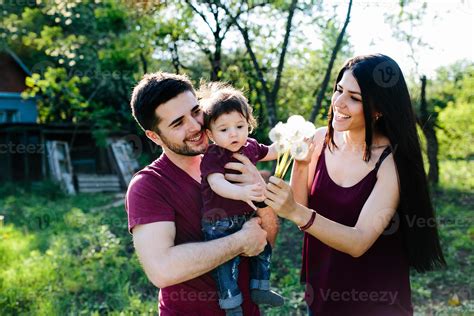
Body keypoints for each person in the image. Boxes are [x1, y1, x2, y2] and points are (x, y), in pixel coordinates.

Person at [264, 54, 446, 315]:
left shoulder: (390, 162)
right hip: (322, 295)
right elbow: (302, 212)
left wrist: (294, 210)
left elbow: (358, 241)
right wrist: (301, 166)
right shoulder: (319, 139)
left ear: (378, 108)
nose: (339, 102)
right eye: (339, 90)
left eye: (354, 98)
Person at [126, 72, 279, 315]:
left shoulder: (231, 159)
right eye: (178, 123)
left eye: (196, 111)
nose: (196, 126)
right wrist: (239, 242)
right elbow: (162, 270)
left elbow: (266, 238)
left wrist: (259, 194)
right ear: (154, 136)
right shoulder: (148, 185)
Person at [198, 83, 284, 315]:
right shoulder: (214, 155)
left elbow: (273, 151)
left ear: (249, 124)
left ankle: (260, 287)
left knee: (263, 247)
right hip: (220, 222)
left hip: (245, 217)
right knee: (226, 264)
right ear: (210, 134)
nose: (233, 133)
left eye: (240, 125)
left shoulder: (251, 147)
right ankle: (232, 305)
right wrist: (242, 193)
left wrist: (293, 143)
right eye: (224, 129)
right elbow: (217, 184)